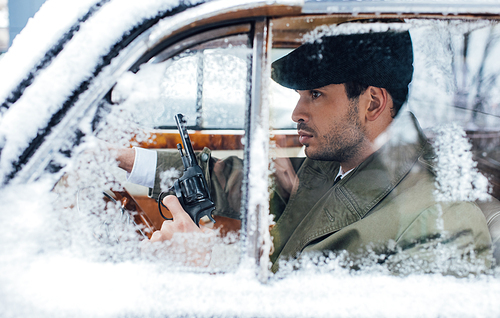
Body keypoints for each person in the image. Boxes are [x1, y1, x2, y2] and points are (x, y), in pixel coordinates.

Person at [116, 28, 492, 273]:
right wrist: (132, 160)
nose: (297, 112)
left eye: (315, 95)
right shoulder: (337, 165)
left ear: (373, 103)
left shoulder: (440, 223)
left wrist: (200, 275)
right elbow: (250, 183)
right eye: (300, 96)